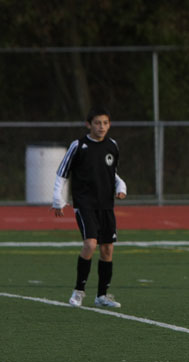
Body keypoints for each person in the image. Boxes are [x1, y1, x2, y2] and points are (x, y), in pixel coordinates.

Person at [51, 106, 127, 308]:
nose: (101, 127)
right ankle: (78, 291)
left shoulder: (112, 146)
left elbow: (113, 172)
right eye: (97, 123)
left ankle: (102, 295)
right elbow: (62, 173)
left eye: (105, 123)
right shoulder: (78, 145)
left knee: (108, 249)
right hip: (84, 203)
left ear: (109, 125)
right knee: (90, 244)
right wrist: (57, 199)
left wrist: (121, 186)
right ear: (88, 124)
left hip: (106, 204)